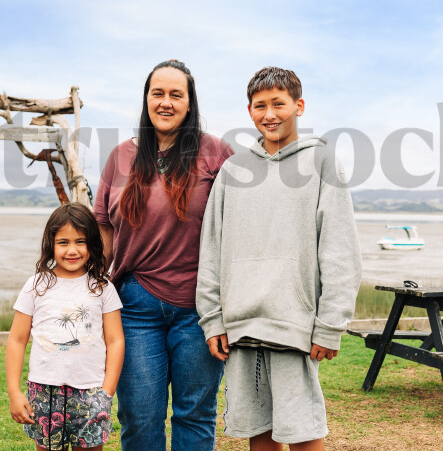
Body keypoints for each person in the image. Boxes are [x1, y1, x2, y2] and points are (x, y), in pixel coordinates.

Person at [197, 66, 362, 451]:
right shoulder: (233, 170)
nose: (269, 114)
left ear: (298, 106)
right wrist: (212, 319)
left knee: (303, 431)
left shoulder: (322, 162)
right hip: (240, 324)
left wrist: (330, 324)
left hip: (294, 324)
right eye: (260, 106)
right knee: (259, 433)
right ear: (249, 111)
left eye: (278, 104)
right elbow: (212, 247)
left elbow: (339, 250)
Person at [93, 59, 234, 451]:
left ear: (190, 103)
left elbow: (241, 227)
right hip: (134, 306)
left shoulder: (218, 154)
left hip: (201, 308)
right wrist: (88, 295)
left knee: (194, 415)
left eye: (177, 94)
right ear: (146, 100)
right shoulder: (121, 156)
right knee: (139, 417)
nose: (166, 102)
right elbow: (104, 229)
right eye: (158, 93)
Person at [6, 202, 124, 451]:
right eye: (63, 242)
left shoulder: (103, 288)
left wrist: (107, 393)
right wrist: (14, 392)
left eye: (80, 242)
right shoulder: (36, 285)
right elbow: (17, 340)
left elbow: (115, 341)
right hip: (43, 392)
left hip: (91, 392)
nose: (72, 250)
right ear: (51, 243)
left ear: (92, 244)